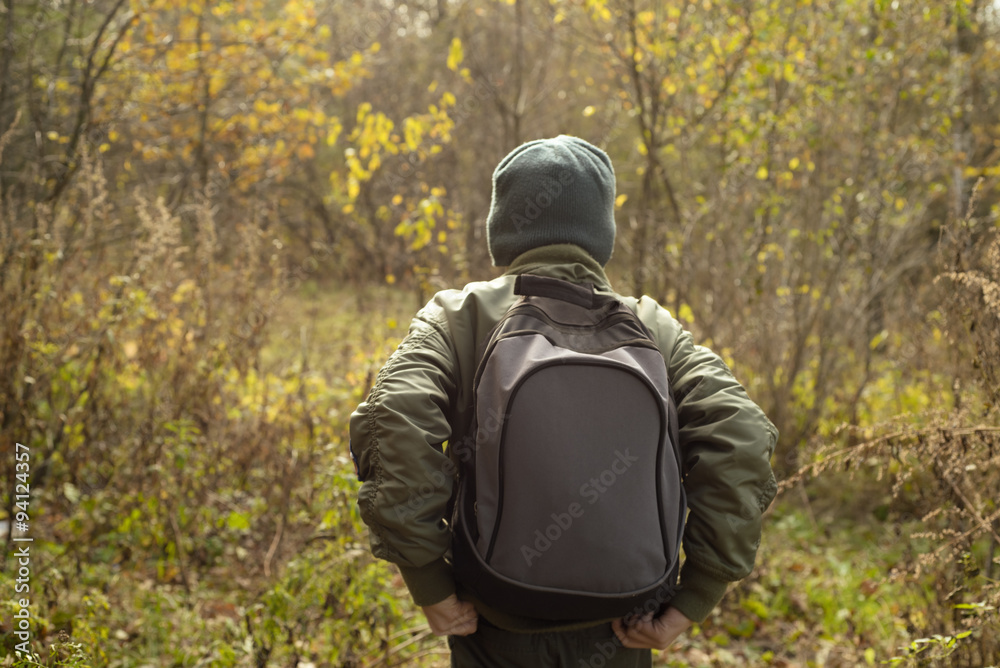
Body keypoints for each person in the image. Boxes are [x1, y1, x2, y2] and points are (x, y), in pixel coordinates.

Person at [349, 135, 778, 666]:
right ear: (602, 235)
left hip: (493, 617)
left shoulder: (459, 315)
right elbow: (741, 436)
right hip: (624, 624)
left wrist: (428, 580)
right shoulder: (653, 327)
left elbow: (393, 414)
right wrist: (696, 597)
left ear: (501, 228)